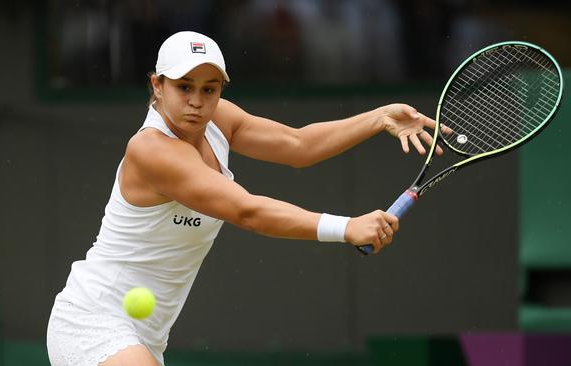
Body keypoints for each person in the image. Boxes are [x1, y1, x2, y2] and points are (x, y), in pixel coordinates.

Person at [46, 31, 447, 366]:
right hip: (94, 319)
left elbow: (298, 145)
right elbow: (246, 210)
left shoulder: (216, 119)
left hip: (148, 336)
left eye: (210, 89)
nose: (197, 101)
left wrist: (377, 118)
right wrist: (347, 227)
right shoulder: (151, 151)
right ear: (157, 85)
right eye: (183, 87)